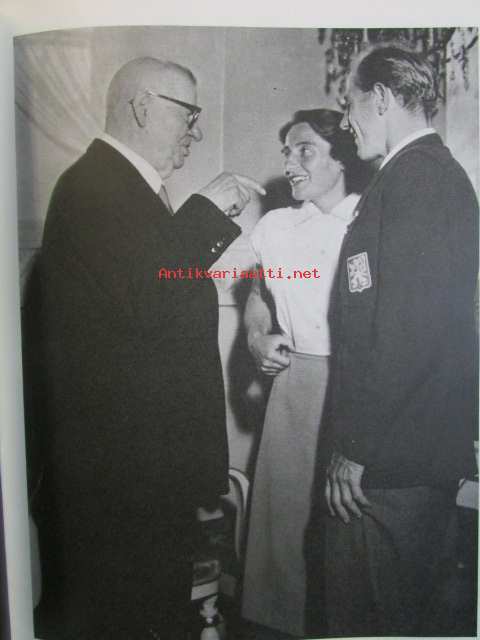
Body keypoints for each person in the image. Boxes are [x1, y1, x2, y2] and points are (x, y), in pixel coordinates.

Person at [24, 56, 264, 640]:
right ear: (142, 106)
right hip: (115, 478)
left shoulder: (126, 187)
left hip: (138, 470)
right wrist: (206, 210)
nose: (196, 133)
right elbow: (149, 295)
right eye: (189, 115)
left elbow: (151, 295)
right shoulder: (94, 185)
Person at [309, 45, 478, 637]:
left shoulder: (421, 179)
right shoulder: (411, 176)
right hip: (396, 458)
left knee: (374, 619)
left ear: (380, 98)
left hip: (391, 466)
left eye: (349, 104)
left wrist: (355, 447)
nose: (345, 121)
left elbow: (410, 331)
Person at [241, 109, 369, 637]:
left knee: (343, 536)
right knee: (283, 534)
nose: (290, 163)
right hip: (293, 387)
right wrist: (257, 336)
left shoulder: (369, 222)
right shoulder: (277, 226)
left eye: (305, 150)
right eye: (287, 152)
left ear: (341, 160)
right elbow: (257, 292)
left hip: (354, 388)